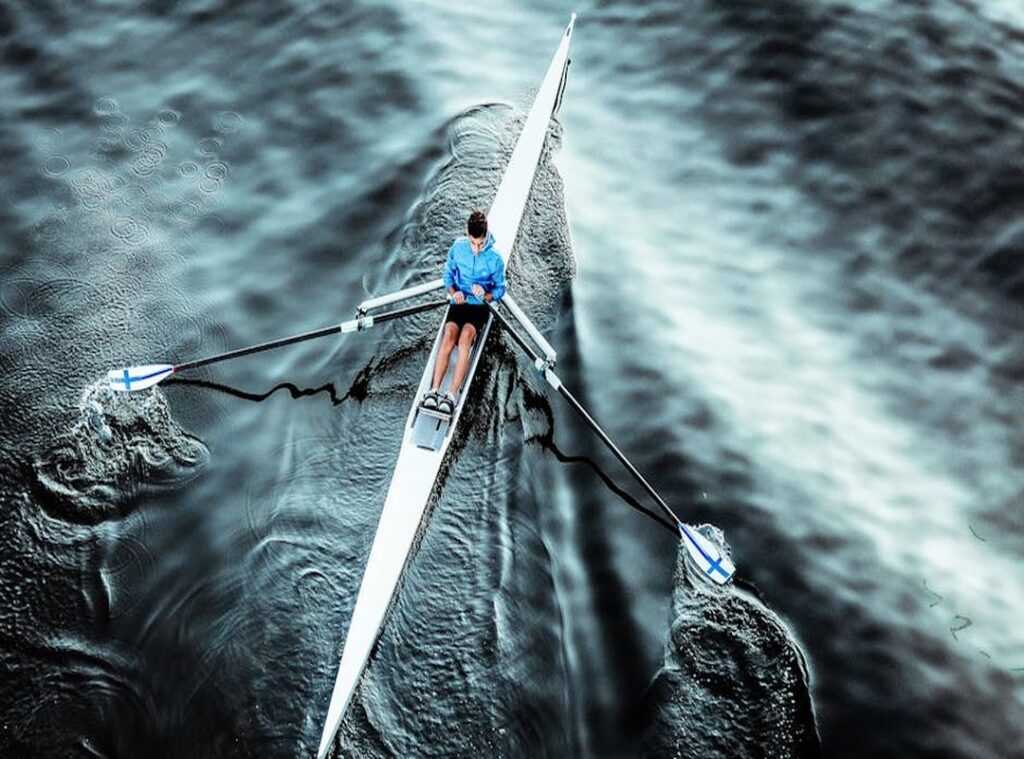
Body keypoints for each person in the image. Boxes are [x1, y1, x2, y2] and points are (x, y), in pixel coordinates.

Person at [421, 210, 506, 415]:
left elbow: (501, 289)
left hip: (479, 306)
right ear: (467, 235)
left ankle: (451, 395)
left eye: (481, 244)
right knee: (449, 334)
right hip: (459, 301)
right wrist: (454, 292)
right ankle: (433, 391)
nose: (476, 249)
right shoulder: (458, 247)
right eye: (473, 243)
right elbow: (447, 276)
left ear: (486, 236)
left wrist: (486, 295)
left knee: (465, 337)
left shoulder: (495, 259)